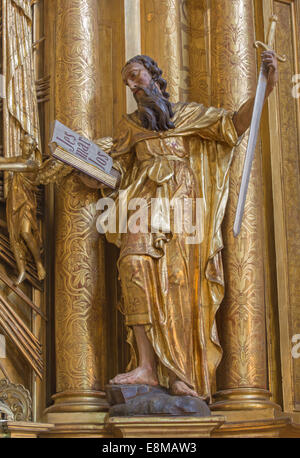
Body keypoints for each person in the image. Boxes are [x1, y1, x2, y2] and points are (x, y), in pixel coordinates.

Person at [80, 51, 278, 401]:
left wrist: (267, 85)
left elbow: (233, 125)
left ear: (154, 75)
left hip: (183, 210)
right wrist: (95, 177)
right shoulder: (130, 126)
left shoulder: (188, 114)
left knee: (180, 285)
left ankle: (178, 374)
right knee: (133, 265)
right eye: (127, 80)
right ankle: (145, 365)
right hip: (141, 205)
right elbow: (118, 171)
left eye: (136, 75)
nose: (132, 85)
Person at [0, 134, 45, 285]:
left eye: (30, 146)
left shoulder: (32, 164)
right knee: (14, 237)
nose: (28, 148)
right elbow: (4, 160)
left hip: (25, 203)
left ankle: (38, 263)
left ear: (33, 148)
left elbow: (9, 166)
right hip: (13, 201)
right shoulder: (18, 158)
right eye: (25, 144)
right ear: (21, 144)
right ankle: (22, 271)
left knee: (25, 233)